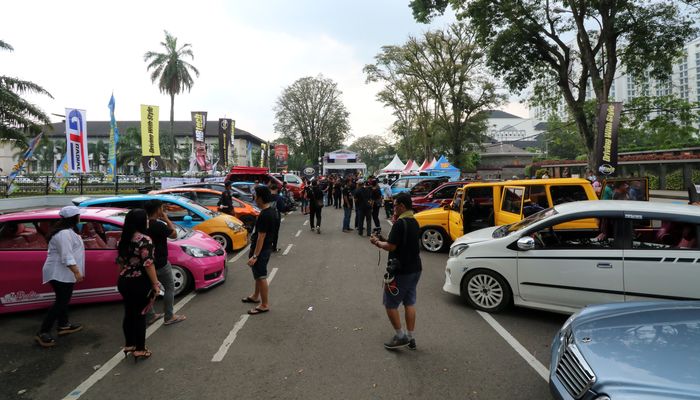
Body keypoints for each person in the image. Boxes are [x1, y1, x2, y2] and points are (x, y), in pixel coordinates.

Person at [369, 192, 422, 350]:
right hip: (415, 269)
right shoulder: (414, 221)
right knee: (409, 302)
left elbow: (391, 247)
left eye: (395, 205)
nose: (393, 208)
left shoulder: (400, 223)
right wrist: (385, 239)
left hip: (401, 270)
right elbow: (399, 243)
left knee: (390, 304)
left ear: (402, 206)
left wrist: (377, 242)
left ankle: (400, 337)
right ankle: (410, 337)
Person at [35, 206, 85, 348]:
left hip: (64, 272)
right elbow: (66, 256)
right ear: (73, 218)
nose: (80, 217)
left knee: (63, 300)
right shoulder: (63, 233)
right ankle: (43, 331)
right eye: (78, 215)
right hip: (59, 273)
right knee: (61, 302)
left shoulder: (68, 231)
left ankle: (63, 325)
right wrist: (76, 271)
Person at [116, 209, 160, 361]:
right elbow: (148, 264)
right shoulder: (145, 240)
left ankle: (129, 344)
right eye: (146, 219)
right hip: (140, 282)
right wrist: (155, 284)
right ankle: (140, 349)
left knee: (129, 313)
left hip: (124, 281)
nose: (148, 221)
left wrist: (122, 277)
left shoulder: (123, 239)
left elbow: (120, 263)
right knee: (141, 315)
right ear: (141, 222)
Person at [144, 200, 186, 326]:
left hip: (146, 264)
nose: (163, 210)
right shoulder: (159, 225)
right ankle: (169, 316)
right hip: (161, 263)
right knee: (169, 288)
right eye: (162, 208)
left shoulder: (143, 224)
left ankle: (150, 315)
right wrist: (167, 219)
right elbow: (174, 235)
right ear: (158, 210)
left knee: (149, 289)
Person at [242, 186, 276, 315]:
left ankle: (264, 304)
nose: (254, 198)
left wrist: (255, 256)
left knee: (261, 276)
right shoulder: (271, 211)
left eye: (255, 196)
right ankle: (255, 296)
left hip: (261, 250)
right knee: (257, 274)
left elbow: (262, 237)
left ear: (260, 197)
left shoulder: (265, 215)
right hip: (264, 248)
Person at [269, 183, 284, 252]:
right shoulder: (279, 197)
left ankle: (267, 246)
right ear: (276, 189)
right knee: (275, 233)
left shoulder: (266, 197)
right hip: (276, 217)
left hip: (267, 216)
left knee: (267, 232)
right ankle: (274, 248)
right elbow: (281, 208)